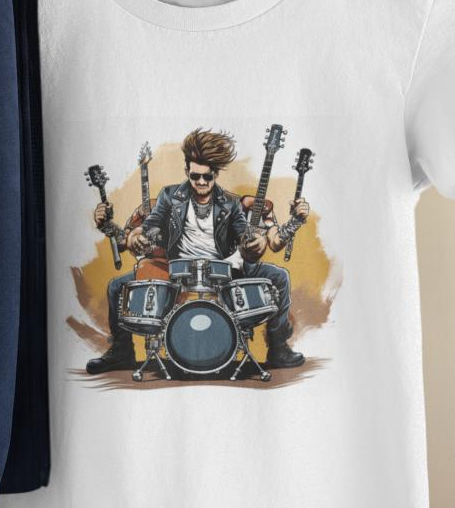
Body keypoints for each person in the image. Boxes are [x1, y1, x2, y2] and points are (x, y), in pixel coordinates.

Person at [87, 127, 309, 374]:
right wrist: (136, 235)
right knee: (116, 286)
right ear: (187, 171)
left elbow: (243, 234)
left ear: (215, 175)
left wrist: (255, 243)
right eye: (195, 176)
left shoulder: (230, 203)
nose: (201, 182)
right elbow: (149, 226)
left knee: (280, 277)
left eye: (207, 177)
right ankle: (122, 353)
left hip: (224, 270)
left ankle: (279, 350)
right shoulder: (170, 196)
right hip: (178, 271)